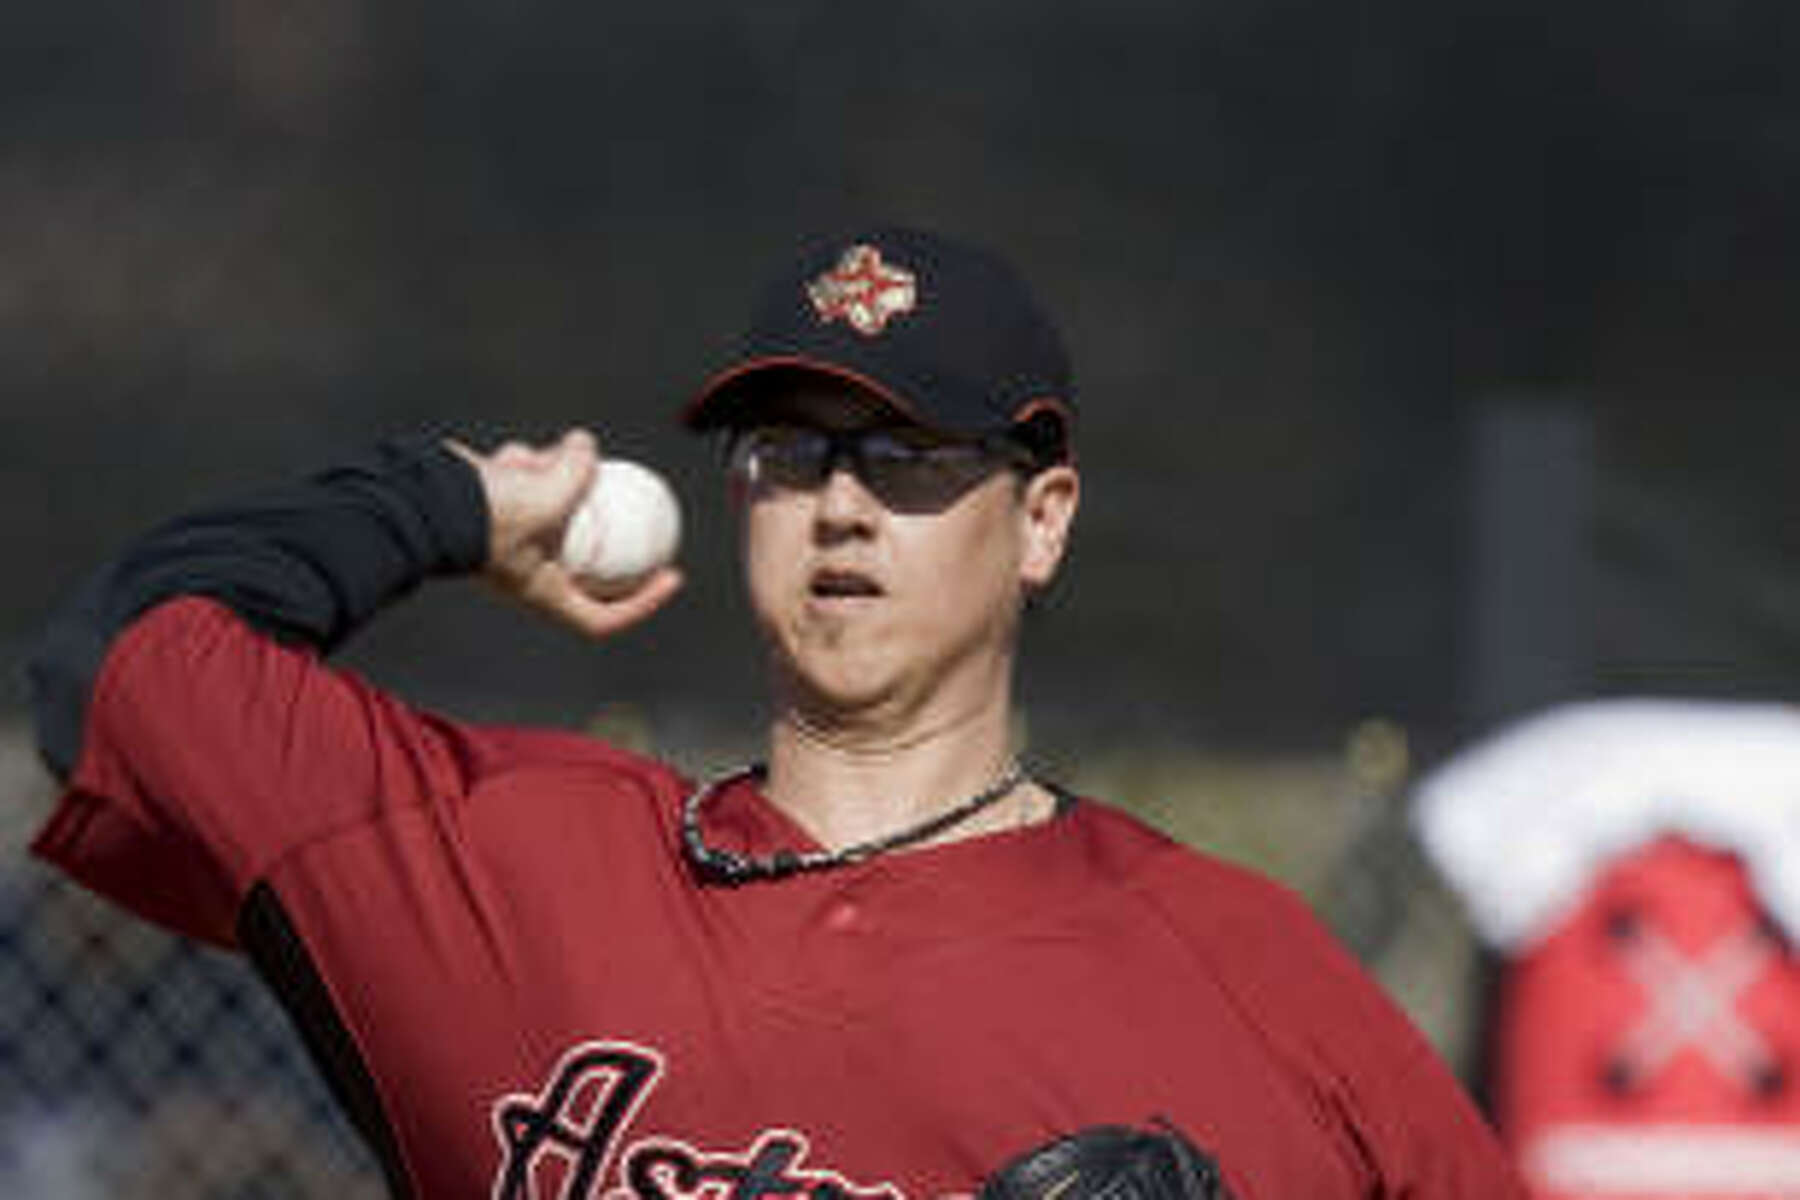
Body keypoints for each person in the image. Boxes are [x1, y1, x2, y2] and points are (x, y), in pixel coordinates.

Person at [26, 227, 1524, 1197]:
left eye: (913, 457)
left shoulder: (1244, 972)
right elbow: (119, 666)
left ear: (1044, 517)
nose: (844, 509)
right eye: (792, 456)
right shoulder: (505, 868)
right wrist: (447, 504)